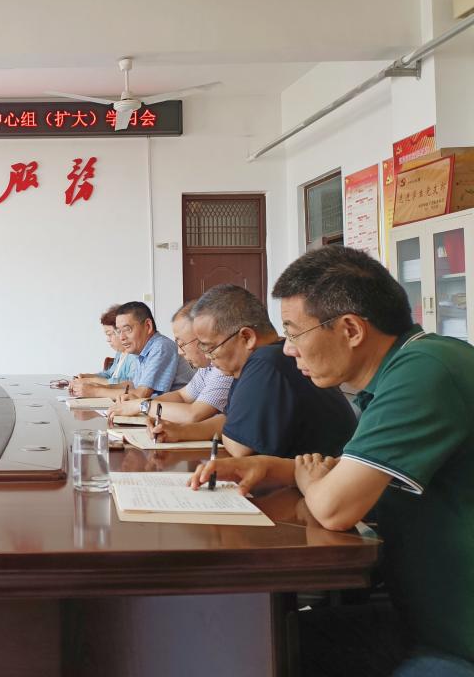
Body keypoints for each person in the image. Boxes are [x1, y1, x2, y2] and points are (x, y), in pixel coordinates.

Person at [191, 246, 474, 676]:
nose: (288, 350)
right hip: (421, 622)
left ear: (351, 329)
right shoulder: (400, 371)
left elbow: (334, 507)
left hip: (457, 643)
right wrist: (273, 467)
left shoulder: (425, 371)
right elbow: (346, 473)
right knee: (250, 646)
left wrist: (311, 482)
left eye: (294, 333)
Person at [185, 284, 356, 457]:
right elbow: (229, 421)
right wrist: (179, 431)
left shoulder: (266, 362)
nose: (209, 358)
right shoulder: (262, 358)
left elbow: (239, 447)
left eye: (211, 348)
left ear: (247, 337)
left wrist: (224, 431)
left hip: (326, 471)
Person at [107, 299, 233, 430]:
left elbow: (194, 414)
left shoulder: (223, 368)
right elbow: (182, 396)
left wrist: (142, 406)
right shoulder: (207, 368)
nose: (179, 352)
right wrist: (140, 403)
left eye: (182, 343)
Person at [71, 301, 193, 400]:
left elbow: (142, 394)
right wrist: (96, 385)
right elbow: (133, 385)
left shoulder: (161, 346)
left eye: (127, 329)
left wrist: (95, 391)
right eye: (119, 331)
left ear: (148, 326)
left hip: (179, 415)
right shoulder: (142, 351)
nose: (122, 337)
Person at [73, 305, 127, 384]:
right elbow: (109, 375)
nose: (108, 339)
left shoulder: (133, 356)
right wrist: (87, 376)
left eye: (109, 334)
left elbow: (127, 384)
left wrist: (91, 380)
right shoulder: (120, 353)